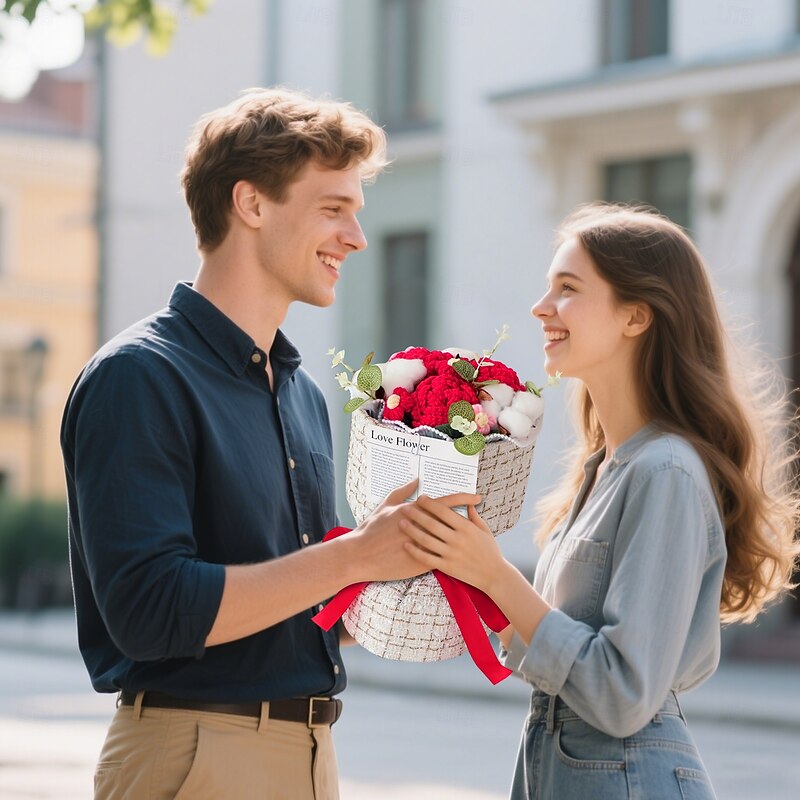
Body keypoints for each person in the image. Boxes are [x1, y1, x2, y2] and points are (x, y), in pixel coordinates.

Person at [60, 87, 477, 800]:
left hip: (309, 755)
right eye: (332, 208)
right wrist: (353, 554)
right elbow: (151, 613)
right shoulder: (139, 376)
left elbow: (301, 613)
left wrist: (403, 564)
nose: (356, 237)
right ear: (251, 205)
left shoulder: (300, 394)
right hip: (196, 754)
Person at [401, 203, 800, 799]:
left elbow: (621, 694)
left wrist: (496, 574)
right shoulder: (604, 471)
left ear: (636, 316)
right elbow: (557, 645)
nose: (542, 307)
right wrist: (460, 566)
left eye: (568, 288)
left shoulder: (665, 470)